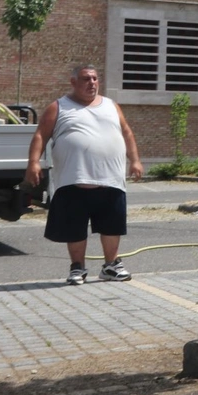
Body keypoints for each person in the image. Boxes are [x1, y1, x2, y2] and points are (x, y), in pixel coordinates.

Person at [24, 65, 143, 285]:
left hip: (111, 179)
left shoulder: (111, 105)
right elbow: (41, 134)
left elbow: (126, 132)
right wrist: (33, 163)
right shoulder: (58, 107)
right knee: (74, 227)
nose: (92, 83)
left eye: (95, 78)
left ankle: (111, 266)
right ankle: (77, 268)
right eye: (86, 79)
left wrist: (134, 160)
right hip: (73, 180)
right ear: (73, 82)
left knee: (111, 226)